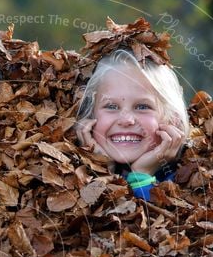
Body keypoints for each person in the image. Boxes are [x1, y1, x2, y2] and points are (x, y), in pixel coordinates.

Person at [76, 48, 189, 200]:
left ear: (172, 119)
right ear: (91, 115)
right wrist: (102, 169)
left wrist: (141, 176)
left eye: (142, 107)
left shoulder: (189, 181)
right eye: (111, 106)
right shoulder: (69, 173)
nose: (126, 120)